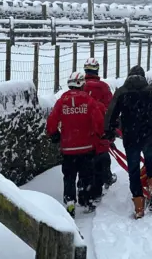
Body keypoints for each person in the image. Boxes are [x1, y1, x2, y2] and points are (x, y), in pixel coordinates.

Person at [103, 65, 152, 219]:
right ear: (143, 77)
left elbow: (111, 113)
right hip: (150, 135)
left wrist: (109, 131)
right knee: (151, 164)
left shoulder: (122, 92)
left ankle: (139, 206)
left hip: (131, 136)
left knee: (134, 170)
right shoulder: (151, 91)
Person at [46, 71, 104, 218]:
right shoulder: (89, 100)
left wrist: (54, 134)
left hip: (68, 148)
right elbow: (98, 121)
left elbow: (51, 121)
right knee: (85, 175)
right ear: (81, 84)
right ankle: (86, 199)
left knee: (69, 177)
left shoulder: (62, 100)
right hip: (86, 146)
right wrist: (99, 134)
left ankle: (70, 201)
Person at [82, 58, 116, 203]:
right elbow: (111, 108)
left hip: (82, 129)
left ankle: (86, 189)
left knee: (86, 160)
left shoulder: (79, 86)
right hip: (100, 127)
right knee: (102, 155)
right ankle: (103, 181)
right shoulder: (103, 87)